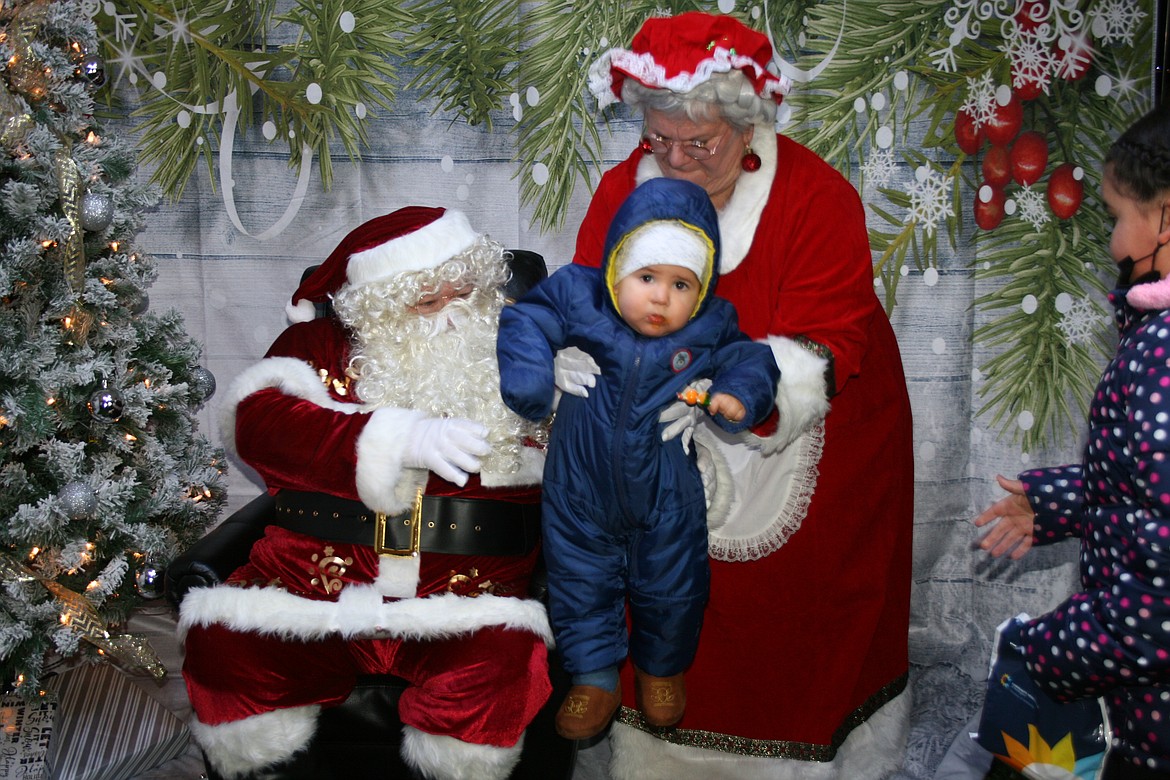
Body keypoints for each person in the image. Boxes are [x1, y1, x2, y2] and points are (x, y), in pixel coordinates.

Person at [573, 11, 915, 779]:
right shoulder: (623, 191)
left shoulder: (816, 196)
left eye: (702, 144)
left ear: (748, 118)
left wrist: (741, 400)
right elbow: (589, 308)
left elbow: (826, 340)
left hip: (810, 423)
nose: (677, 161)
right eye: (660, 140)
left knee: (791, 608)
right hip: (661, 425)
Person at [178, 207, 554, 780]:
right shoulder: (318, 345)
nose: (451, 314)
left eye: (465, 292)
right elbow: (256, 422)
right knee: (223, 646)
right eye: (428, 302)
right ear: (377, 305)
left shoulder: (531, 351)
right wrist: (389, 439)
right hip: (310, 590)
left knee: (502, 668)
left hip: (469, 601)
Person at [497, 177, 781, 741]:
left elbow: (754, 359)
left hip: (666, 486)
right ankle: (594, 677)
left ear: (700, 291)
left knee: (674, 583)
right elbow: (525, 319)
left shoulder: (710, 325)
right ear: (617, 263)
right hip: (580, 486)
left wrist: (734, 396)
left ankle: (662, 668)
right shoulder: (579, 295)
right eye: (647, 277)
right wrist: (537, 378)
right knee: (579, 581)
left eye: (681, 284)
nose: (660, 297)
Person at [973, 104, 1170, 778]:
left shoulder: (1165, 358)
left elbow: (1157, 610)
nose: (1115, 244)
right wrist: (1057, 501)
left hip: (1148, 730)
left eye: (1119, 217)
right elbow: (1149, 498)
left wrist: (1044, 654)